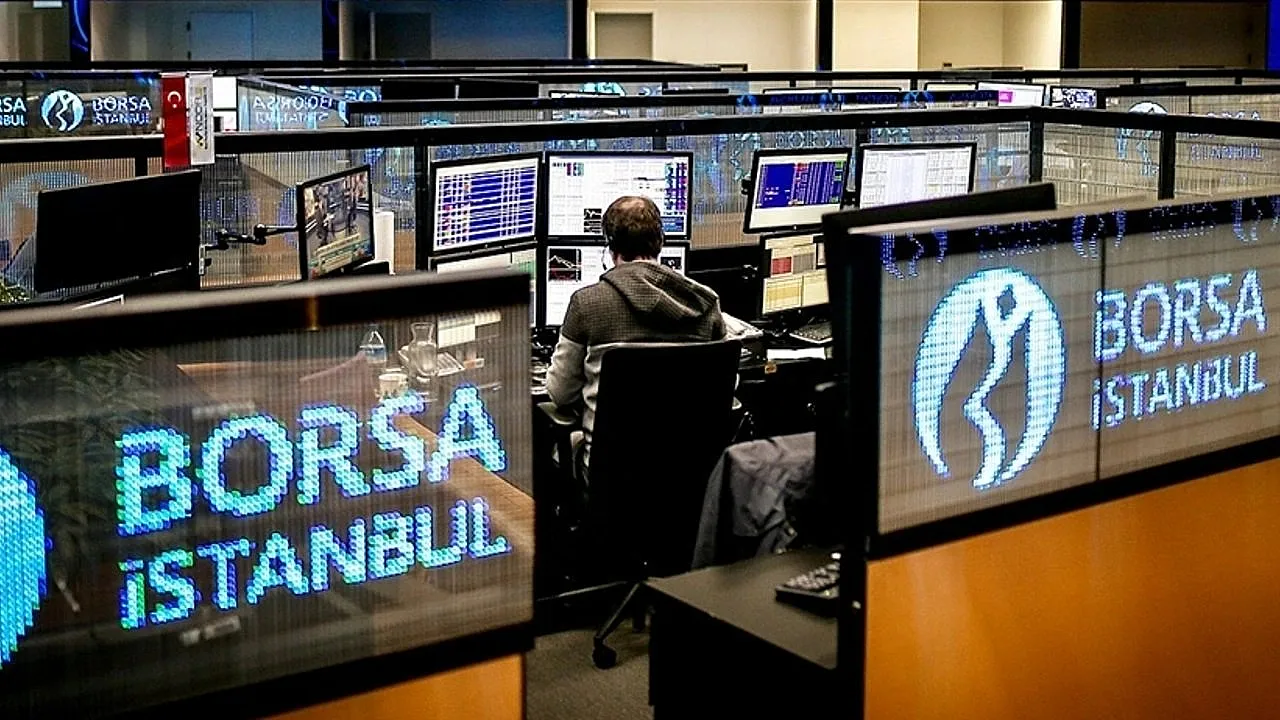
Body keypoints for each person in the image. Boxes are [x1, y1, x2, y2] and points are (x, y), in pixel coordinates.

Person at [546, 195, 727, 478]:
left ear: (610, 248)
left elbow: (560, 393)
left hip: (611, 478)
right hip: (689, 477)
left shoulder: (587, 304)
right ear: (661, 242)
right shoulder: (705, 303)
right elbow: (725, 388)